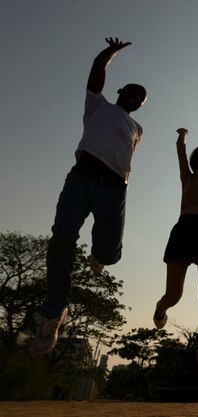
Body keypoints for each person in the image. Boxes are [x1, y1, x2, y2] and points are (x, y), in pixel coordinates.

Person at [34, 37, 147, 354]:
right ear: (120, 91)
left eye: (141, 98)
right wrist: (111, 52)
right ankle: (53, 313)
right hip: (81, 179)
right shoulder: (97, 105)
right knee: (61, 240)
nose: (136, 97)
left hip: (113, 189)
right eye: (133, 91)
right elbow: (97, 69)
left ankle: (101, 254)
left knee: (110, 255)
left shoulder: (137, 128)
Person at [153, 128, 198, 372]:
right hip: (184, 229)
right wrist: (182, 138)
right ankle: (161, 308)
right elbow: (181, 157)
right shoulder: (189, 177)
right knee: (174, 295)